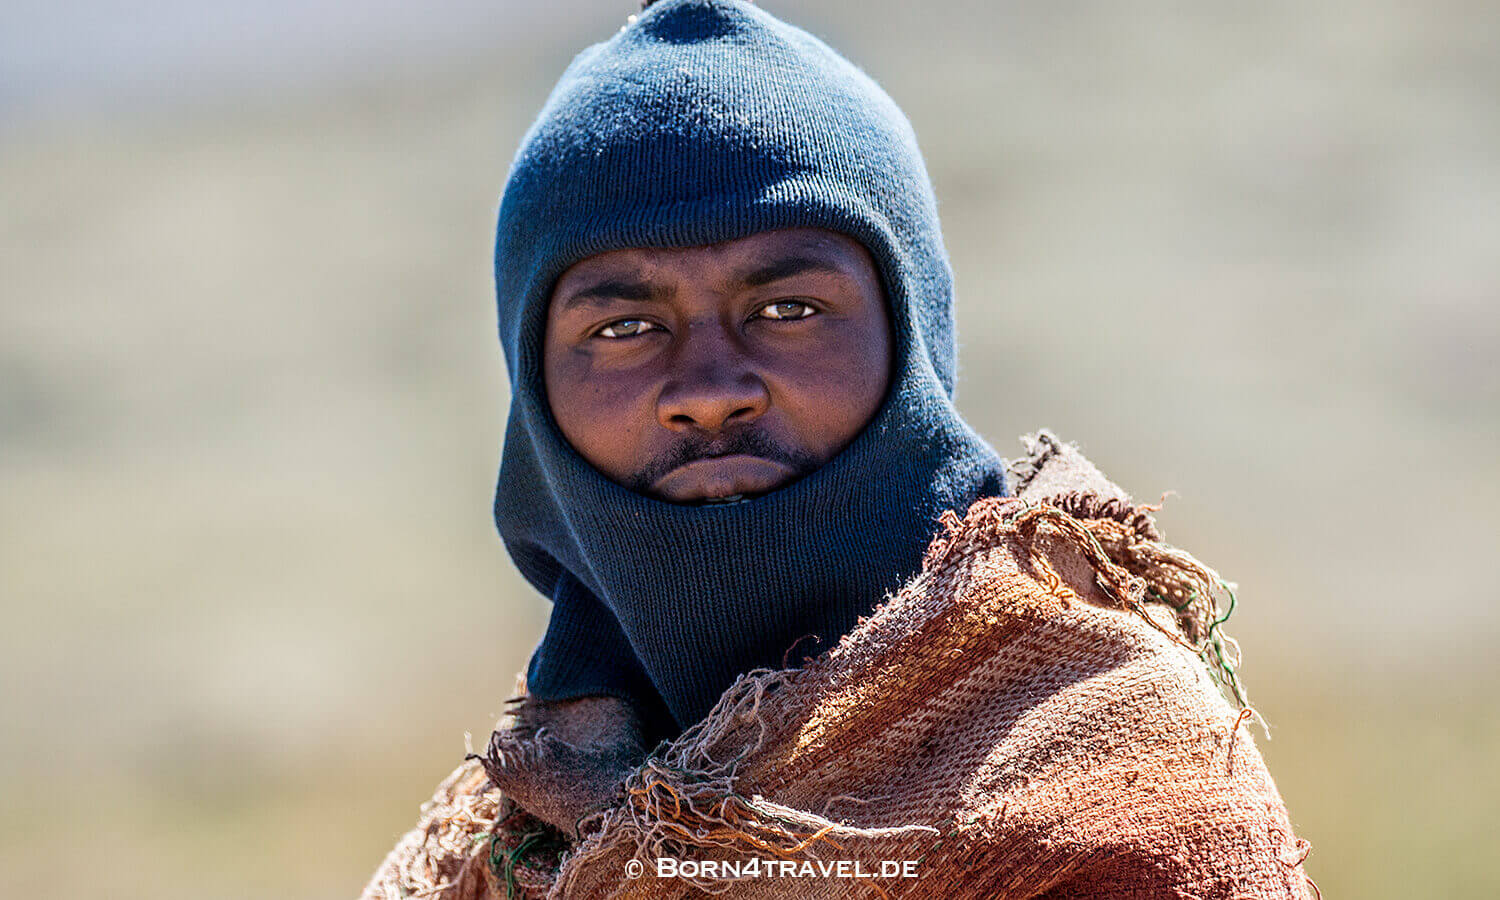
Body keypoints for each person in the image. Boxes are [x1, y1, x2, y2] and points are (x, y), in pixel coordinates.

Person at [459, 1, 1311, 895]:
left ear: (910, 340)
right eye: (625, 325)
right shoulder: (517, 822)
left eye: (788, 310)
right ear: (534, 386)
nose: (710, 389)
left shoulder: (1111, 771)